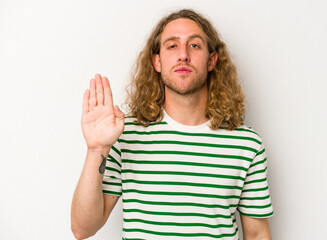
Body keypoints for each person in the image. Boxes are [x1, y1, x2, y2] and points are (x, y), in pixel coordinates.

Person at [71, 9, 273, 240]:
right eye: (172, 46)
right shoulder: (124, 135)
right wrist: (97, 149)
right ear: (157, 61)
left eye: (195, 45)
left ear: (212, 60)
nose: (183, 55)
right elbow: (82, 228)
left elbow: (257, 234)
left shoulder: (246, 144)